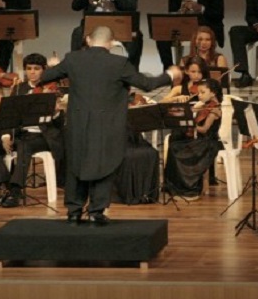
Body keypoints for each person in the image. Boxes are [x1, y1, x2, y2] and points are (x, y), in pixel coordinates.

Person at [40, 26, 180, 224]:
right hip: (108, 125)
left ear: (88, 40)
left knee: (77, 164)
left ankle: (74, 211)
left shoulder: (72, 59)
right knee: (104, 164)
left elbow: (44, 78)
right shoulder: (119, 63)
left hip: (78, 124)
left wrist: (53, 65)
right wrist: (170, 75)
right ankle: (97, 212)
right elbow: (147, 85)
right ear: (112, 43)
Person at [0, 53, 66, 207]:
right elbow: (8, 117)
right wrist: (6, 136)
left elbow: (60, 125)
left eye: (36, 69)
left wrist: (55, 111)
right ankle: (6, 186)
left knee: (24, 146)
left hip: (42, 136)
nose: (32, 72)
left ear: (43, 70)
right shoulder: (19, 89)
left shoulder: (51, 89)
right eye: (29, 69)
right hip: (21, 134)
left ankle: (14, 192)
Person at [70, 0, 142, 70]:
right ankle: (76, 70)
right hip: (94, 25)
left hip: (117, 24)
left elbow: (131, 7)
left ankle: (132, 72)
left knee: (136, 36)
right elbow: (75, 6)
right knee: (78, 32)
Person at [159, 0, 225, 70]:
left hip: (205, 26)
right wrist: (180, 11)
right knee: (161, 35)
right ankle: (170, 70)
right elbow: (171, 13)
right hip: (183, 27)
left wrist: (201, 8)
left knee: (203, 27)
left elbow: (219, 14)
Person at [163, 78, 223, 199]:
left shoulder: (215, 110)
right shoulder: (205, 106)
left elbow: (204, 129)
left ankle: (189, 188)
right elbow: (189, 111)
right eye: (198, 92)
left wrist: (190, 123)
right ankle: (175, 186)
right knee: (174, 144)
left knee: (176, 148)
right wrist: (184, 108)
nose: (199, 95)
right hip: (200, 141)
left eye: (202, 92)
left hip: (208, 142)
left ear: (213, 93)